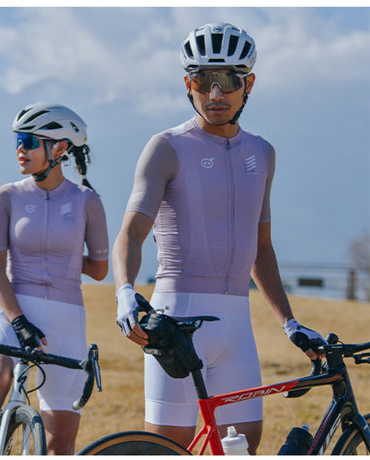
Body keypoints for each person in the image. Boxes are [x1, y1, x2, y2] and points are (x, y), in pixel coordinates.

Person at [112, 23, 325, 454]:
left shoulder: (262, 153)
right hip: (176, 319)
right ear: (187, 85)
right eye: (201, 81)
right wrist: (125, 292)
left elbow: (260, 248)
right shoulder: (166, 147)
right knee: (166, 448)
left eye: (227, 81)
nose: (214, 94)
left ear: (248, 85)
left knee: (242, 447)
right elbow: (132, 232)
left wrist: (289, 322)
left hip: (236, 325)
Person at [0, 102, 109, 455]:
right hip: (12, 310)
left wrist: (61, 257)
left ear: (59, 148)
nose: (19, 150)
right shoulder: (7, 196)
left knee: (60, 440)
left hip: (65, 317)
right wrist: (19, 322)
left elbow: (100, 270)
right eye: (17, 141)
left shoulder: (87, 201)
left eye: (28, 141)